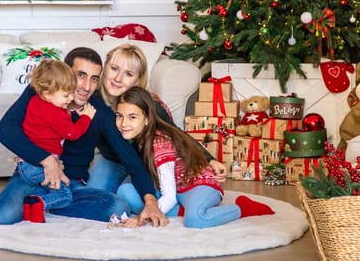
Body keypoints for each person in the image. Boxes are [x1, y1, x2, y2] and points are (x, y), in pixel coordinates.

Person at [0, 47, 168, 226]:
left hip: (71, 184)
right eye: (80, 76)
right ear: (66, 73)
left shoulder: (98, 112)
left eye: (94, 79)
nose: (86, 86)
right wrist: (47, 161)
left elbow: (130, 158)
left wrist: (150, 200)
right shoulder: (42, 91)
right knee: (2, 216)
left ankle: (41, 204)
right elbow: (5, 130)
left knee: (118, 207)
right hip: (32, 176)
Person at [114, 86, 275, 228]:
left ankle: (242, 208)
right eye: (119, 116)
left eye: (132, 117)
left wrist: (144, 217)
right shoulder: (138, 139)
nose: (123, 123)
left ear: (147, 119)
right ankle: (183, 209)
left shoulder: (159, 143)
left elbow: (168, 197)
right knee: (125, 191)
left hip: (198, 184)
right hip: (175, 188)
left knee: (196, 219)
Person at [87, 43, 226, 194]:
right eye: (114, 69)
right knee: (93, 194)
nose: (118, 78)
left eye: (128, 74)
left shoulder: (149, 105)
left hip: (143, 163)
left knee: (130, 194)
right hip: (111, 160)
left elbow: (177, 134)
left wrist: (209, 160)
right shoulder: (92, 99)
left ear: (137, 80)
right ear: (105, 67)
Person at [19, 59, 96, 222]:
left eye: (71, 93)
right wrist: (86, 118)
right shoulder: (55, 112)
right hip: (37, 166)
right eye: (65, 95)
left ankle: (34, 210)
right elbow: (72, 133)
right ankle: (38, 203)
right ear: (47, 93)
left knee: (56, 186)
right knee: (64, 195)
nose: (70, 98)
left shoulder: (36, 102)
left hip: (26, 163)